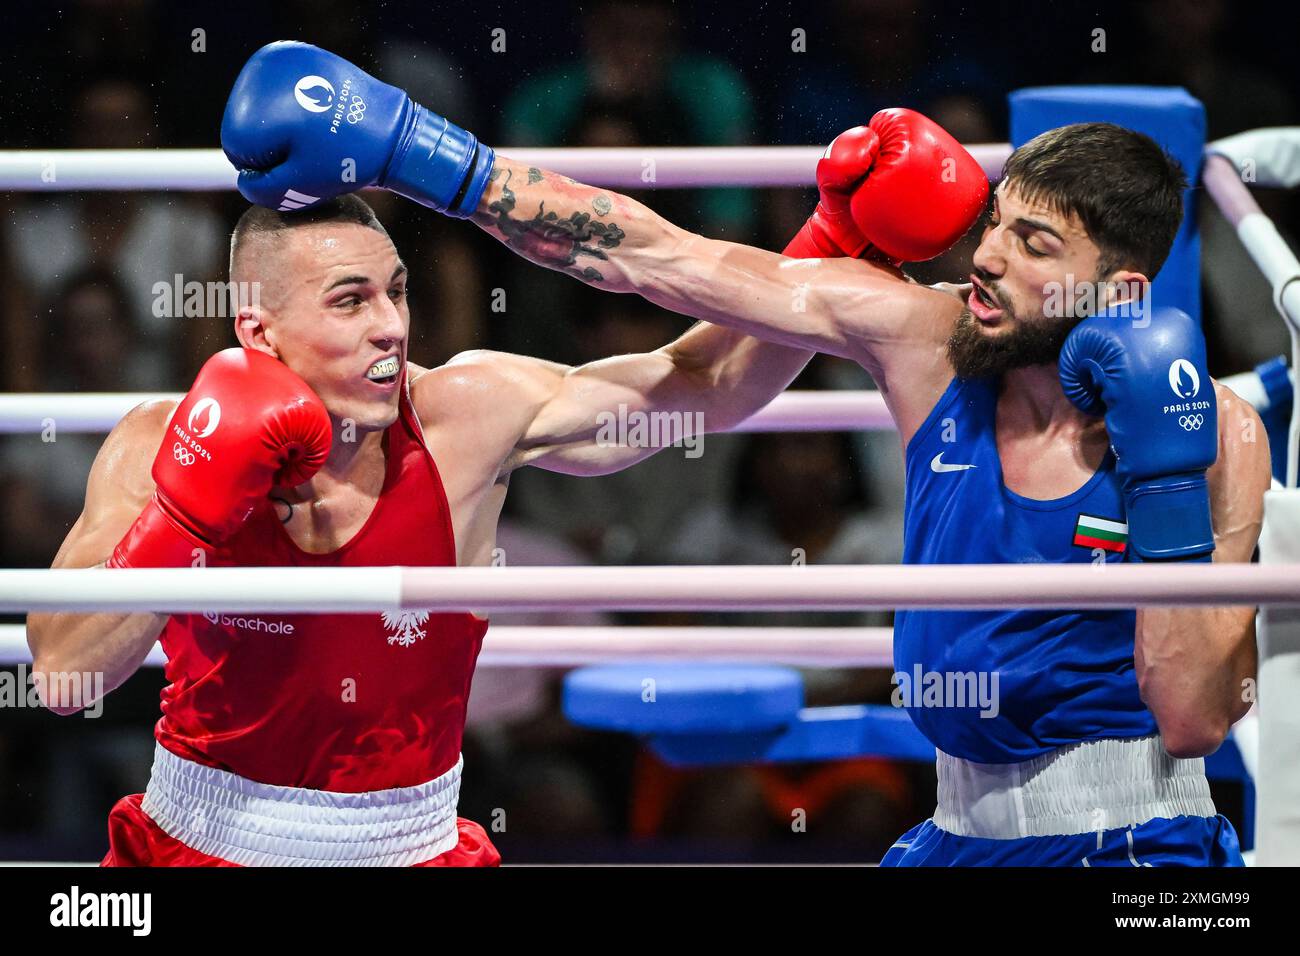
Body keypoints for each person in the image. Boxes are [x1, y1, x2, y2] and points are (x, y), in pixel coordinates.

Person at [220, 41, 1272, 865]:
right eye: (994, 223)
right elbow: (660, 258)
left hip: (1139, 842)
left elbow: (1187, 717)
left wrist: (1167, 481)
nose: (986, 257)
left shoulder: (1214, 430)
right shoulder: (929, 341)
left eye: (1033, 247)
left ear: (1120, 293)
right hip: (955, 835)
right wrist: (422, 155)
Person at [27, 49, 980, 866]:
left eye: (397, 292)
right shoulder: (158, 440)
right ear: (257, 332)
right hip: (195, 840)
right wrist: (189, 510)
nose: (392, 327)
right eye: (351, 301)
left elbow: (701, 386)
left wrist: (830, 245)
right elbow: (65, 675)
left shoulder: (465, 415)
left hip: (413, 843)